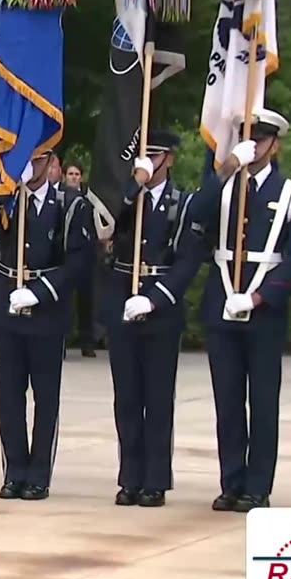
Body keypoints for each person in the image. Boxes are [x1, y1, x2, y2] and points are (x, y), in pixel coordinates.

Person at [192, 108, 291, 512]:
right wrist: (227, 167)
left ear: (274, 145)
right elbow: (195, 214)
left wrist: (261, 297)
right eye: (246, 138)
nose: (253, 145)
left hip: (264, 311)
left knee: (262, 402)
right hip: (222, 304)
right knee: (227, 401)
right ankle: (231, 482)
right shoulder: (224, 185)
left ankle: (257, 486)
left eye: (260, 139)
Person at [0, 148, 96, 501]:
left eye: (38, 159)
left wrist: (40, 292)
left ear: (52, 162)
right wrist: (3, 188)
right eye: (24, 158)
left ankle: (39, 474)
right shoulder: (8, 199)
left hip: (46, 312)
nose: (30, 165)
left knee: (45, 398)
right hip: (6, 305)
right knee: (9, 396)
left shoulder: (70, 205)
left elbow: (78, 262)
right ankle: (14, 471)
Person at [101, 130, 206, 507]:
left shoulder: (184, 204)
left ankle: (155, 480)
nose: (147, 162)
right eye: (143, 156)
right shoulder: (127, 199)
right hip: (123, 302)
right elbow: (107, 228)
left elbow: (188, 260)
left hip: (161, 309)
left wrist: (155, 298)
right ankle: (130, 477)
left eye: (155, 156)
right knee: (127, 397)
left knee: (158, 398)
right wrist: (133, 188)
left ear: (170, 160)